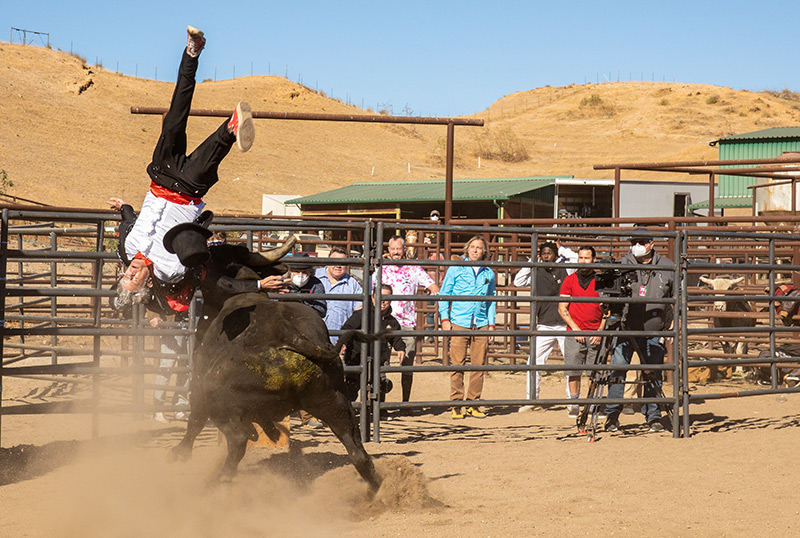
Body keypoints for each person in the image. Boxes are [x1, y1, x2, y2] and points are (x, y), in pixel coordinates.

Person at [107, 25, 256, 313]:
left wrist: (123, 205)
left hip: (162, 175)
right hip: (187, 192)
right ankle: (233, 127)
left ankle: (192, 51)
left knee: (176, 114)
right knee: (215, 148)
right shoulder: (170, 270)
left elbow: (129, 221)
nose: (132, 272)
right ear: (148, 284)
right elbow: (196, 255)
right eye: (134, 279)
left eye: (127, 275)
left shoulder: (127, 248)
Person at [604, 229, 674, 433]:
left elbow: (677, 295)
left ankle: (653, 416)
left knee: (653, 371)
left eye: (641, 242)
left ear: (651, 244)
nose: (636, 245)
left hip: (654, 328)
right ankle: (612, 416)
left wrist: (674, 320)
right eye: (634, 241)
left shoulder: (667, 267)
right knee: (618, 370)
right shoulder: (622, 264)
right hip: (626, 327)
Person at [438, 235, 496, 419]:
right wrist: (445, 319)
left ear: (484, 251)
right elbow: (444, 293)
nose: (475, 250)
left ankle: (473, 403)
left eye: (479, 247)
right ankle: (456, 403)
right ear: (467, 249)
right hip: (459, 322)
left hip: (481, 323)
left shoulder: (489, 273)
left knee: (479, 366)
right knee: (458, 364)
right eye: (473, 247)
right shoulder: (456, 269)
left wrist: (492, 324)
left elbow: (492, 300)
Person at [378, 235, 439, 404]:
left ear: (404, 250)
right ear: (388, 251)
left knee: (407, 362)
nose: (396, 252)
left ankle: (405, 403)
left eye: (399, 248)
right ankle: (381, 405)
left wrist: (432, 292)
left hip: (406, 322)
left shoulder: (414, 269)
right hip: (384, 321)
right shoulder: (381, 268)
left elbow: (432, 286)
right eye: (393, 249)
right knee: (381, 362)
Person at [513, 241, 568, 408]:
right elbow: (518, 282)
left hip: (566, 323)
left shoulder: (567, 267)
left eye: (549, 253)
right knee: (534, 362)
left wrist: (563, 250)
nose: (546, 256)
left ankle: (572, 401)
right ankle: (532, 399)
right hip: (545, 323)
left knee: (571, 363)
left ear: (555, 254)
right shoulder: (536, 270)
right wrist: (531, 262)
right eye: (543, 253)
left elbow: (577, 260)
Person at [336, 285, 406, 410]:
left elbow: (396, 337)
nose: (382, 301)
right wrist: (343, 343)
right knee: (352, 385)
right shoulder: (362, 315)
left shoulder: (391, 321)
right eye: (379, 297)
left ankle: (377, 410)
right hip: (357, 356)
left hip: (378, 358)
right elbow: (347, 328)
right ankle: (347, 410)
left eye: (386, 298)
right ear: (373, 298)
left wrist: (400, 348)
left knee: (378, 384)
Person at [558, 246, 605, 418]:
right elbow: (562, 308)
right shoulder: (570, 280)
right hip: (575, 331)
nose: (583, 261)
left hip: (595, 332)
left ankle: (592, 403)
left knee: (595, 371)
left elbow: (607, 309)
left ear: (594, 259)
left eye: (586, 258)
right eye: (580, 258)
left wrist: (600, 330)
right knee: (573, 370)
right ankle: (574, 402)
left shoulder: (601, 280)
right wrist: (575, 329)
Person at [315, 246, 363, 344]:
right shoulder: (315, 276)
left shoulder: (353, 284)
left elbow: (360, 310)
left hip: (338, 343)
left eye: (342, 263)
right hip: (314, 338)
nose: (338, 266)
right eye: (335, 261)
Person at [286, 252, 326, 318]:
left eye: (304, 272)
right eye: (296, 271)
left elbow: (321, 311)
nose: (300, 275)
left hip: (307, 321)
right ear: (290, 271)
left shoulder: (316, 284)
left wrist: (302, 309)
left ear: (310, 272)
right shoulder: (283, 283)